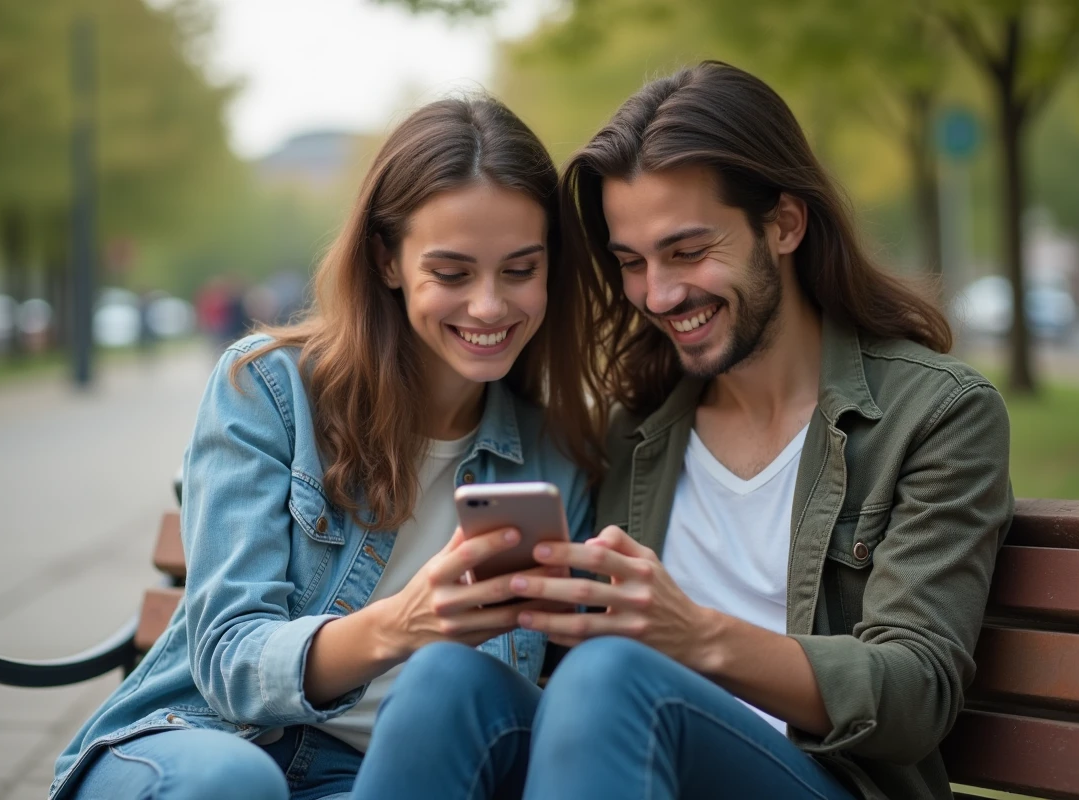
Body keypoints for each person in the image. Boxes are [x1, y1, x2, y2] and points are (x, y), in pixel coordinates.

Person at [358, 61, 1013, 800]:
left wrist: (692, 634)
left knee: (613, 675)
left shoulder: (933, 414)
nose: (659, 295)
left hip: (827, 780)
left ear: (785, 224)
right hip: (635, 768)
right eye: (632, 263)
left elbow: (915, 693)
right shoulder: (637, 428)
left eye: (688, 251)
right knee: (446, 676)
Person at [49, 95, 604, 800]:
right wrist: (403, 623)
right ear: (387, 259)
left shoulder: (558, 451)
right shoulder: (271, 390)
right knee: (234, 784)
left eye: (520, 270)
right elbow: (228, 662)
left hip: (388, 781)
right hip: (201, 744)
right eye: (453, 274)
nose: (490, 307)